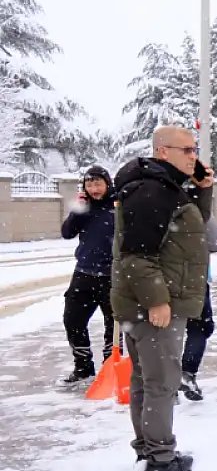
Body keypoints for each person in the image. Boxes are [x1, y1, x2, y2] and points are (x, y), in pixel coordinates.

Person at [112, 125, 212, 471]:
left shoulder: (166, 188)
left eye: (194, 149)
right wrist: (157, 302)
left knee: (146, 379)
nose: (193, 156)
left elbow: (195, 232)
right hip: (155, 307)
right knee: (162, 383)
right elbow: (137, 256)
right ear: (163, 151)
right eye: (186, 150)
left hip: (151, 303)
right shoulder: (153, 191)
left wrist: (203, 190)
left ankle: (148, 448)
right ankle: (161, 459)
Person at [58, 165, 116, 386]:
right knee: (72, 320)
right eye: (89, 184)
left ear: (107, 184)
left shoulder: (118, 206)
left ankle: (110, 368)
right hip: (83, 274)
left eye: (98, 183)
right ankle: (83, 366)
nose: (94, 188)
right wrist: (77, 211)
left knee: (114, 325)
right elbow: (66, 233)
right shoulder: (85, 207)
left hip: (112, 276)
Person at [177, 215, 217, 401]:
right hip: (193, 281)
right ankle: (186, 373)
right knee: (199, 327)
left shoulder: (150, 201)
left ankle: (168, 382)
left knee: (167, 332)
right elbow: (216, 242)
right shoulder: (195, 208)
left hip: (161, 280)